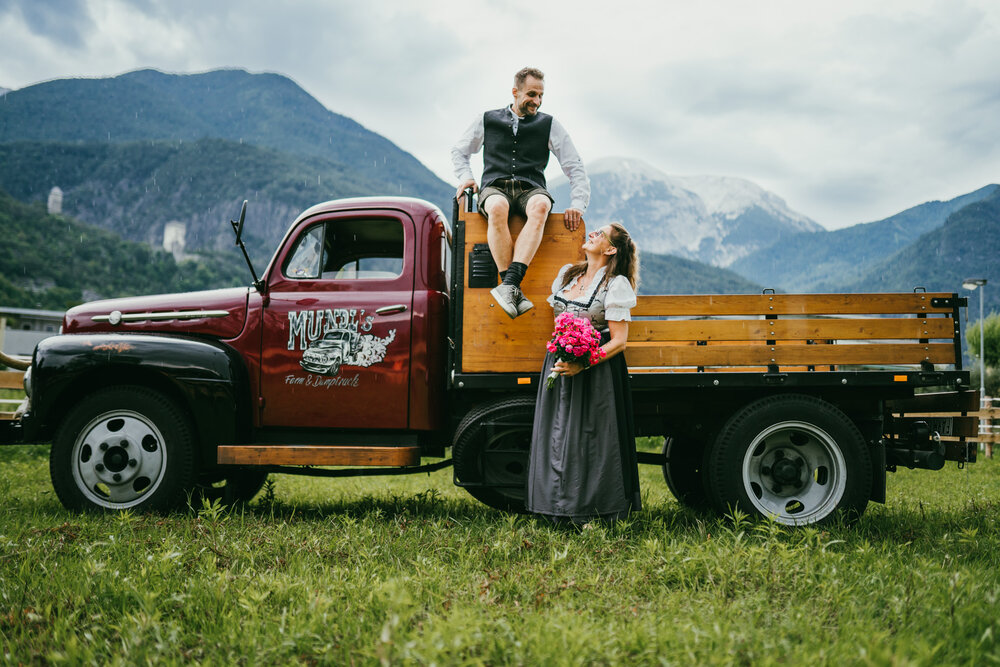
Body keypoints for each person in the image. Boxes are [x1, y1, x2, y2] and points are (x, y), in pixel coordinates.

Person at [451, 66, 591, 319]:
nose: (536, 101)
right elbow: (459, 151)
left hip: (531, 186)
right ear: (515, 92)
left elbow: (574, 165)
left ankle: (509, 285)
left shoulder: (549, 124)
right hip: (495, 185)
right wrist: (467, 178)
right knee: (497, 207)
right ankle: (511, 284)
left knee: (540, 205)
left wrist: (578, 203)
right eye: (531, 94)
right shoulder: (487, 119)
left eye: (541, 96)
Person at [526, 223, 641, 525]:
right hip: (560, 361)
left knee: (589, 438)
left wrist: (583, 362)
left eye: (600, 234)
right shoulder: (569, 275)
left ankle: (591, 510)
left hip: (596, 371)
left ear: (611, 249)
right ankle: (554, 507)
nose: (592, 235)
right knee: (556, 434)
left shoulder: (615, 285)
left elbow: (618, 341)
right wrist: (564, 351)